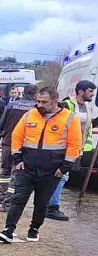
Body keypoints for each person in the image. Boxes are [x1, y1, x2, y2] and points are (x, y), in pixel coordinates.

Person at [0, 87, 82, 243]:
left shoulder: (70, 118)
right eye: (38, 101)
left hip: (52, 170)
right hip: (27, 167)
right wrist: (17, 158)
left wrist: (64, 168)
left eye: (44, 102)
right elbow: (17, 136)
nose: (40, 105)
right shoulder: (30, 115)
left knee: (41, 203)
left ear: (55, 101)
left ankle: (34, 228)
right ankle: (8, 229)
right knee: (18, 199)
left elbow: (75, 144)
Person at [47, 79, 96, 221]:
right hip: (63, 146)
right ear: (81, 92)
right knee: (62, 176)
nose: (92, 94)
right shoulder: (67, 104)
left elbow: (87, 127)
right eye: (90, 91)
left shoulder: (87, 107)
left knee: (61, 176)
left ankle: (49, 204)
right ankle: (52, 207)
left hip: (76, 148)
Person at [0, 84, 38, 211]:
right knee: (16, 174)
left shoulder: (11, 105)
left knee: (5, 171)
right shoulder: (36, 109)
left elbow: (1, 123)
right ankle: (7, 203)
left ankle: (0, 197)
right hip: (23, 146)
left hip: (8, 142)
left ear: (23, 92)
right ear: (35, 94)